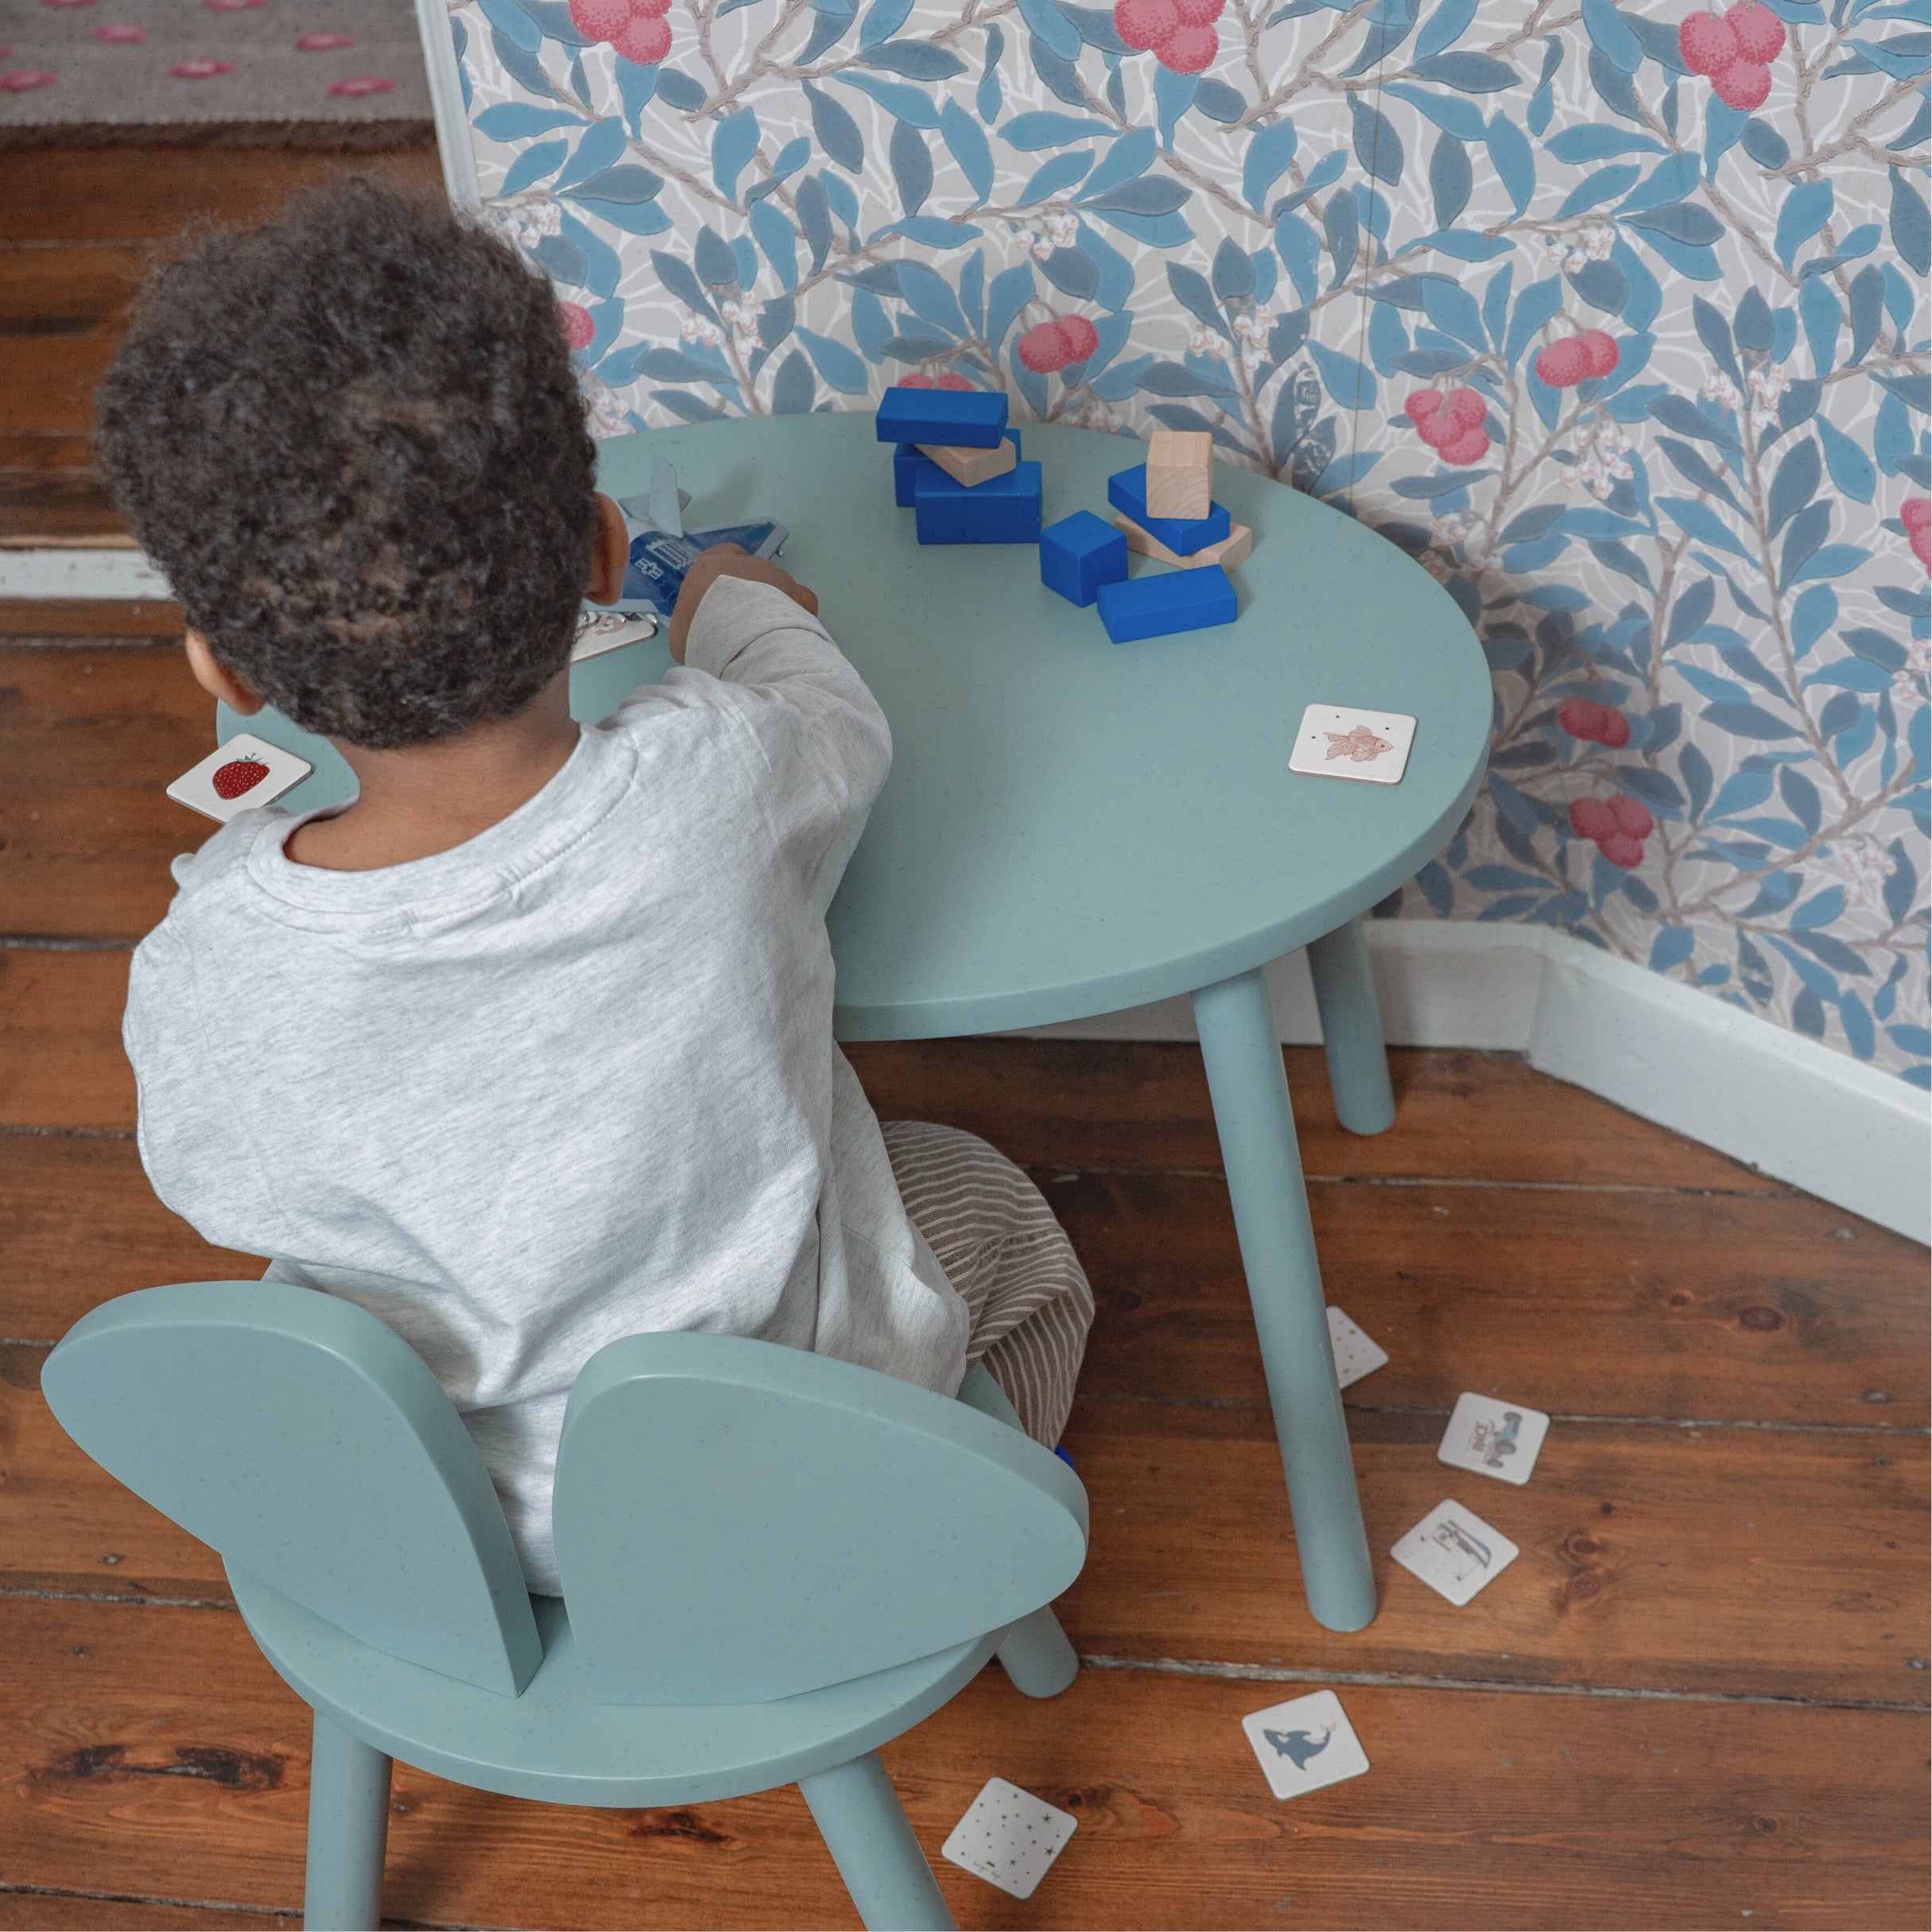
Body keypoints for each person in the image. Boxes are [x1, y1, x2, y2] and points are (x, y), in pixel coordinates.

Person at [100, 176, 1092, 1594]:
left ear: (228, 671)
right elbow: (837, 720)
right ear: (601, 559)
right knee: (1002, 1210)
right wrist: (737, 603)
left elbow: (218, 1186)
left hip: (447, 1531)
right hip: (792, 1475)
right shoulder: (712, 782)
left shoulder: (204, 966)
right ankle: (979, 1545)